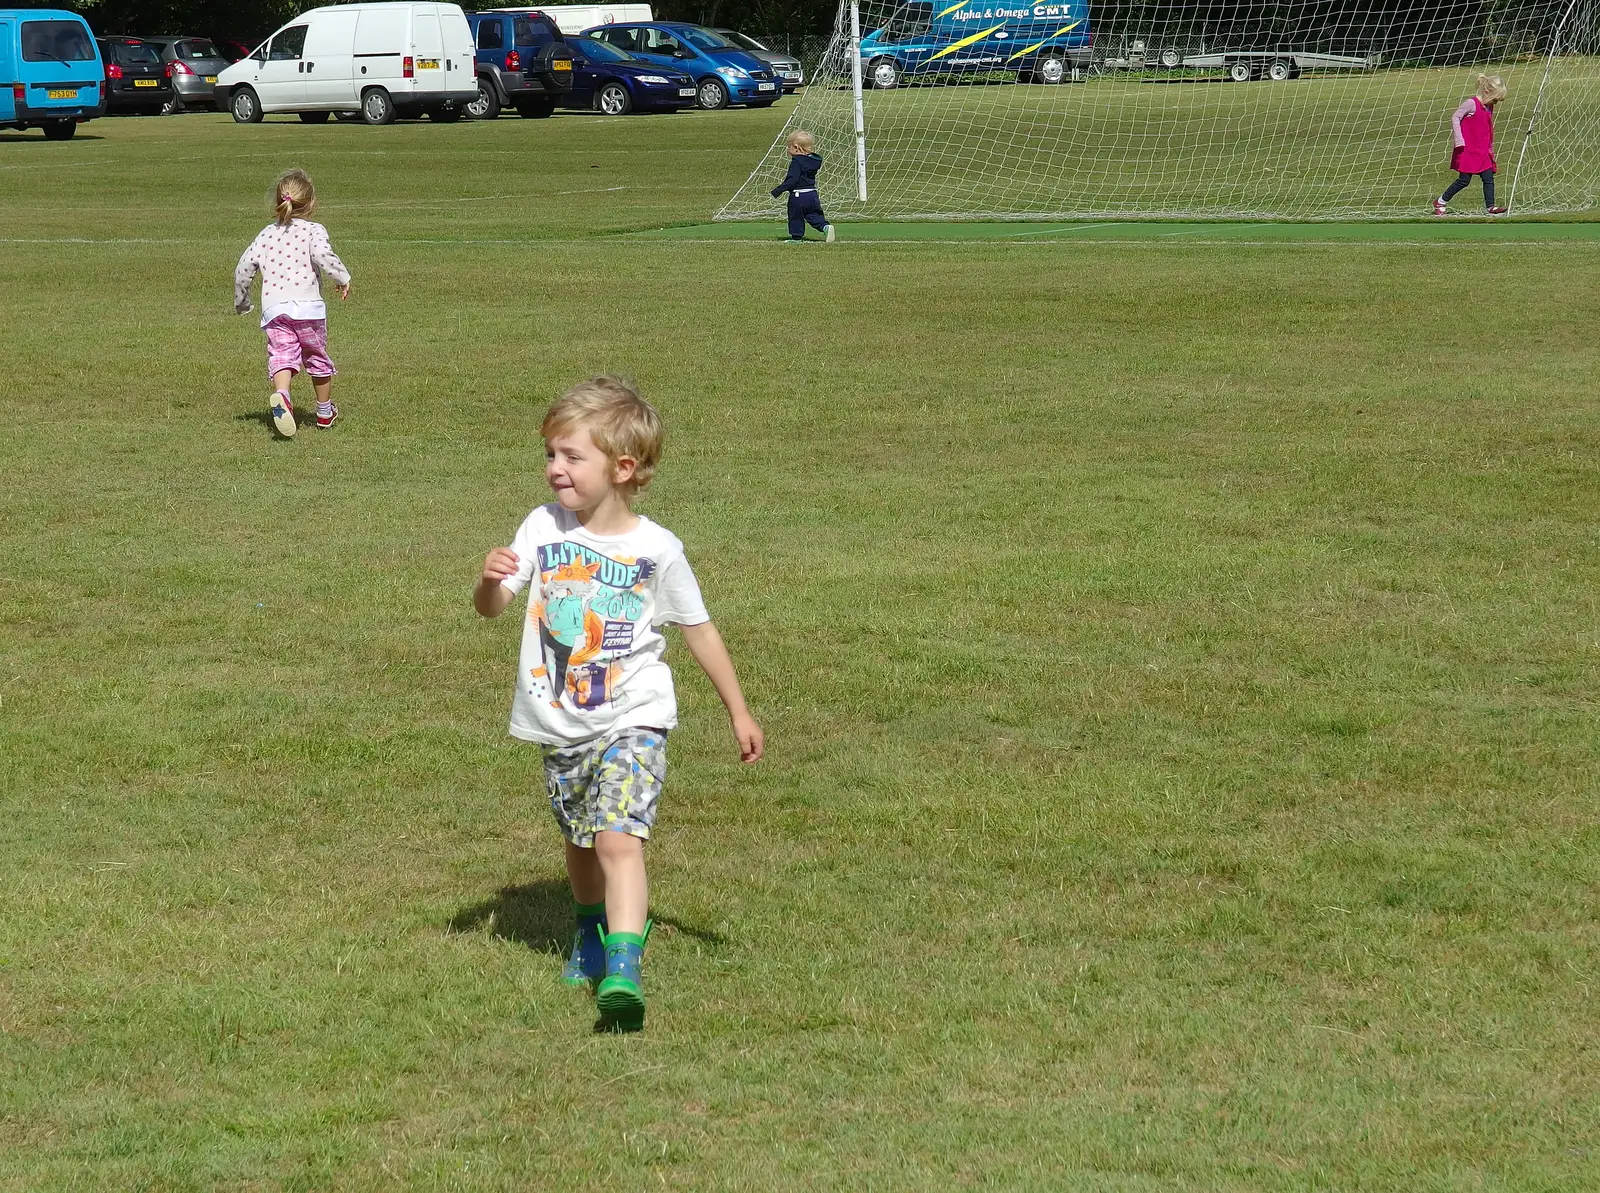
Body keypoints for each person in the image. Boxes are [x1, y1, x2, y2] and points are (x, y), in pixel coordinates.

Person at [474, 377, 764, 1032]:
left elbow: (699, 629)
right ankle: (590, 930)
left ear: (623, 467)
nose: (555, 468)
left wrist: (738, 711)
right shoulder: (541, 527)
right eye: (551, 454)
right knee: (580, 842)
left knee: (617, 837)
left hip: (634, 717)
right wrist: (488, 583)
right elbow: (494, 606)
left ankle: (624, 966)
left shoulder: (657, 550)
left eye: (571, 456)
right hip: (561, 722)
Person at [234, 169, 351, 438]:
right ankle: (324, 411)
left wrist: (242, 302)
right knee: (317, 358)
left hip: (275, 310)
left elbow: (243, 267)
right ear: (310, 203)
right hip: (308, 308)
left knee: (282, 357)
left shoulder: (266, 234)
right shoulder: (313, 230)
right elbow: (322, 254)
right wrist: (342, 277)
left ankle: (283, 396)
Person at [1435, 75, 1508, 216]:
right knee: (1464, 180)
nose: (1495, 103)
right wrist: (1459, 139)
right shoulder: (1471, 103)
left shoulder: (1488, 106)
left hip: (1482, 151)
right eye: (1495, 99)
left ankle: (1490, 207)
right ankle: (1441, 201)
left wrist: (1489, 148)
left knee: (1488, 178)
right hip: (1468, 150)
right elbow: (1455, 117)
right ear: (1487, 92)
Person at [770, 130, 835, 242]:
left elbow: (793, 179)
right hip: (812, 194)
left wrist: (778, 190)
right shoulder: (814, 160)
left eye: (789, 147)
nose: (788, 149)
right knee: (813, 214)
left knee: (795, 215)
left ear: (796, 148)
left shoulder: (796, 161)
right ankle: (825, 227)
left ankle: (796, 237)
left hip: (798, 195)